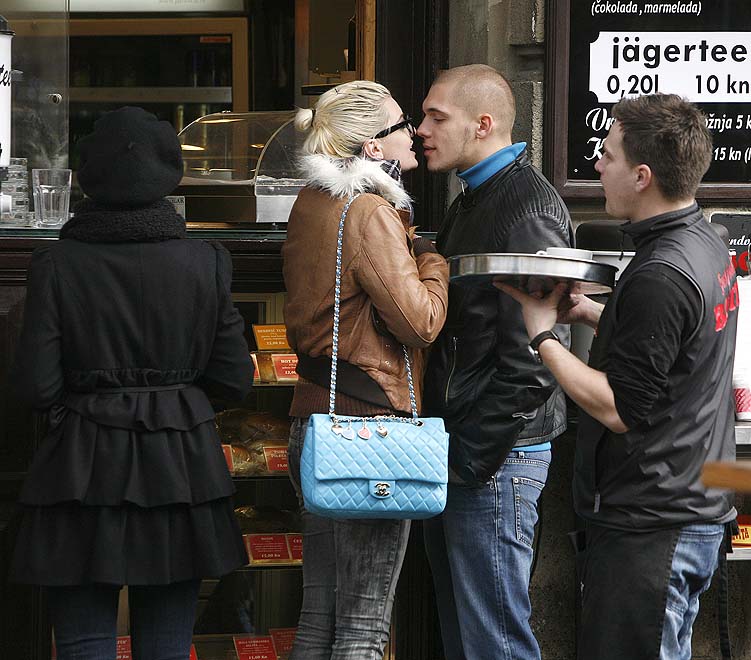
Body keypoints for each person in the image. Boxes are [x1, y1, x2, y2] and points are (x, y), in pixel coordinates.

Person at [496, 93, 739, 660]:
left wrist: (541, 337)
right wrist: (586, 313)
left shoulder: (662, 272)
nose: (597, 165)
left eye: (607, 155)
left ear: (643, 175)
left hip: (654, 523)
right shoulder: (703, 241)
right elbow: (674, 348)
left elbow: (618, 407)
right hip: (684, 509)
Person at [9, 106, 254, 659]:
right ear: (170, 176)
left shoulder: (58, 263)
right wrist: (177, 400)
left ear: (89, 177)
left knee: (83, 643)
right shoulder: (205, 261)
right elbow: (235, 378)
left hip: (80, 466)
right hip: (182, 468)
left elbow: (35, 386)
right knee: (166, 646)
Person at [282, 80, 449, 660]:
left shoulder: (311, 201)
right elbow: (420, 322)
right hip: (369, 430)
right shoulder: (371, 210)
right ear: (373, 148)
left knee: (318, 618)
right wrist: (431, 261)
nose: (414, 134)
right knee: (364, 627)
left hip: (316, 423)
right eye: (401, 125)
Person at [417, 64, 574, 660]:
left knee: (495, 642)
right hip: (471, 451)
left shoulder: (521, 209)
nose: (423, 128)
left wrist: (469, 462)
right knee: (471, 637)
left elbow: (533, 361)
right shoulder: (477, 198)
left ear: (483, 125)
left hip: (495, 458)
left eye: (437, 116)